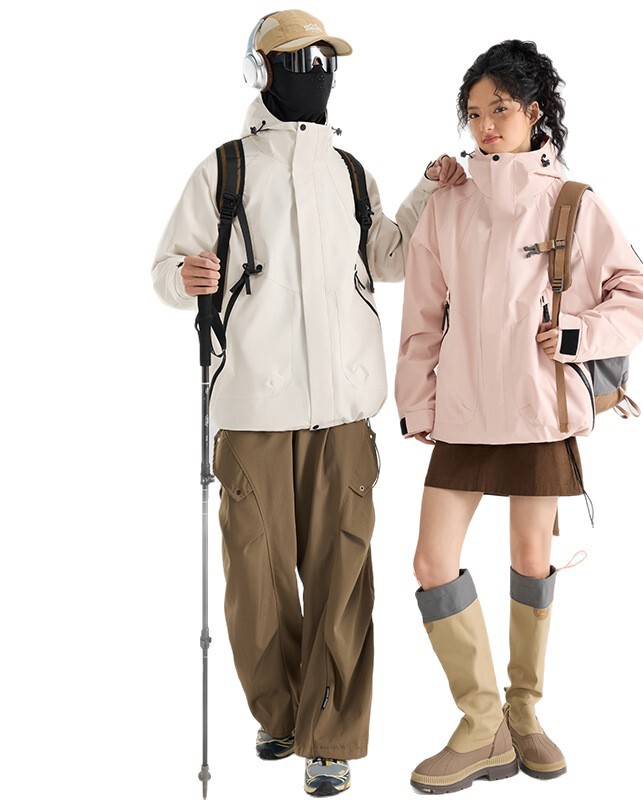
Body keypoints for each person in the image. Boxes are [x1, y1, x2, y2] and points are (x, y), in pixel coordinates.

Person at [152, 10, 464, 796]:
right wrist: (184, 276)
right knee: (255, 582)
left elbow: (389, 258)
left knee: (341, 577)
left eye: (324, 61)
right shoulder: (224, 170)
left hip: (345, 411)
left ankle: (331, 738)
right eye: (296, 61)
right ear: (259, 72)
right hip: (252, 411)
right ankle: (282, 710)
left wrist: (430, 188)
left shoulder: (350, 172)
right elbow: (167, 267)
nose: (314, 74)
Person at [395, 39, 643, 793]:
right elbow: (421, 320)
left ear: (534, 112)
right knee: (431, 562)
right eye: (474, 113)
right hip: (463, 413)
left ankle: (524, 712)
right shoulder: (447, 203)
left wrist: (575, 336)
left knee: (531, 558)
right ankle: (482, 725)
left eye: (500, 109)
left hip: (541, 411)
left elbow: (635, 295)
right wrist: (417, 404)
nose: (486, 126)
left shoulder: (573, 202)